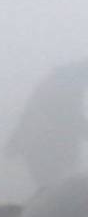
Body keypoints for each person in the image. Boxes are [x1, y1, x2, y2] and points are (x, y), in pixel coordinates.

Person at [7, 61, 88, 192]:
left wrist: (15, 140)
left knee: (53, 188)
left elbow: (31, 110)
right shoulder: (65, 85)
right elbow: (69, 116)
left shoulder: (57, 82)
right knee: (58, 188)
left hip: (42, 146)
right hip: (48, 146)